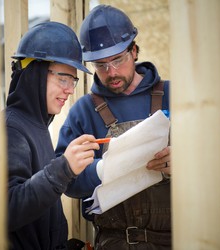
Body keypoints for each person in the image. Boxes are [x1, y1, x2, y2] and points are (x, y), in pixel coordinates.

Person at [55, 5, 172, 249]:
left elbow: (215, 160)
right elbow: (66, 183)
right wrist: (101, 170)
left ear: (135, 51)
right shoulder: (83, 112)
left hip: (175, 239)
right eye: (101, 65)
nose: (112, 72)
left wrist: (185, 165)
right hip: (114, 241)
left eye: (118, 59)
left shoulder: (175, 96)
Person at [5, 21, 100, 250]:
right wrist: (64, 168)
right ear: (35, 73)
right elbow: (7, 209)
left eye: (72, 81)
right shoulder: (10, 129)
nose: (69, 89)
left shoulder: (36, 125)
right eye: (63, 79)